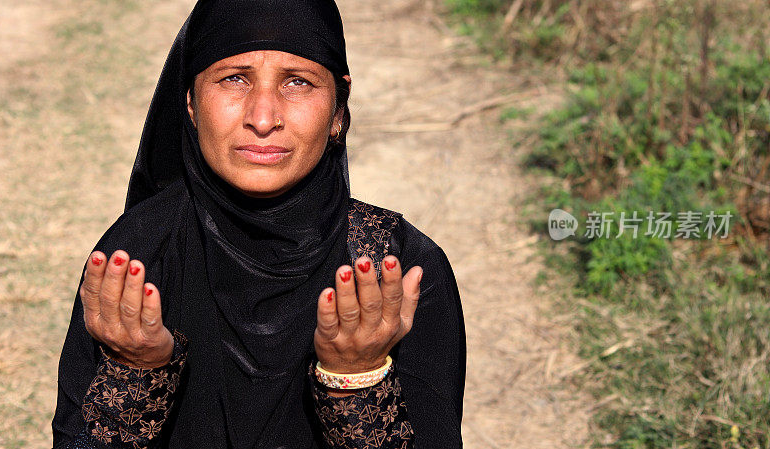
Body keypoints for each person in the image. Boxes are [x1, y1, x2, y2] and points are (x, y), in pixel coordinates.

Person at [51, 1, 466, 448]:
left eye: (297, 82)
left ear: (338, 110)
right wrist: (136, 372)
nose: (263, 118)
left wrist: (357, 379)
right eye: (234, 78)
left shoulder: (396, 271)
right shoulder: (136, 257)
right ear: (190, 101)